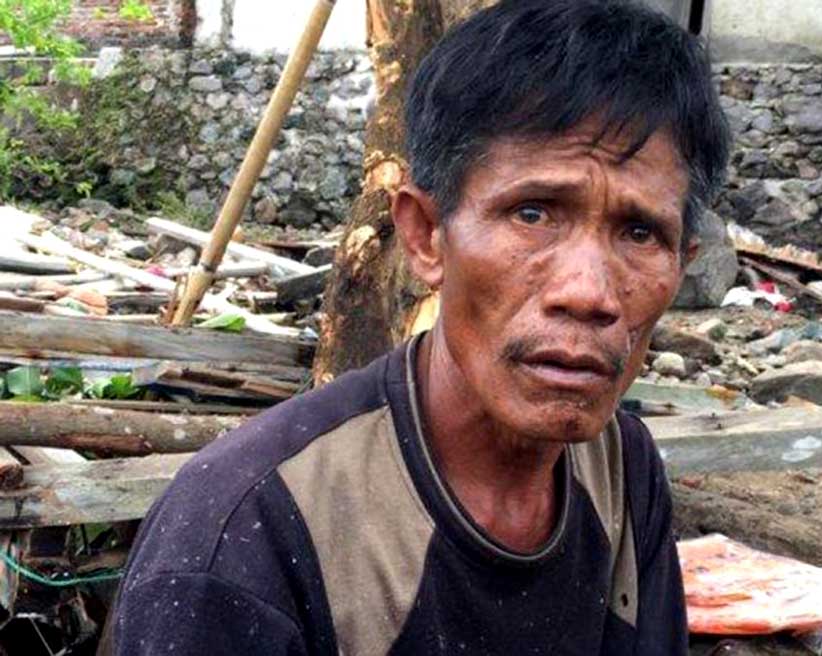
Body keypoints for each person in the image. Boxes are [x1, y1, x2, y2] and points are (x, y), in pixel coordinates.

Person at [110, 0, 729, 653]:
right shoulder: (245, 536)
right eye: (533, 214)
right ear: (426, 236)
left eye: (639, 232)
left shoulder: (624, 471)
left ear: (682, 263)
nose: (589, 293)